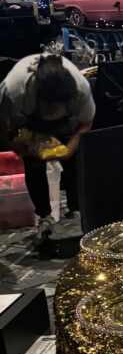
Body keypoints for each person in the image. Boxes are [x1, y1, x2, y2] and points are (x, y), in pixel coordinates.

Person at [0, 53, 95, 242]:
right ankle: (44, 216)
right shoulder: (14, 90)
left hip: (67, 123)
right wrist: (19, 149)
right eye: (49, 110)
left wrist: (69, 149)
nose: (51, 114)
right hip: (27, 121)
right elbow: (1, 126)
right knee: (34, 164)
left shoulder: (80, 88)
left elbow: (85, 124)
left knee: (76, 159)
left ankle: (76, 210)